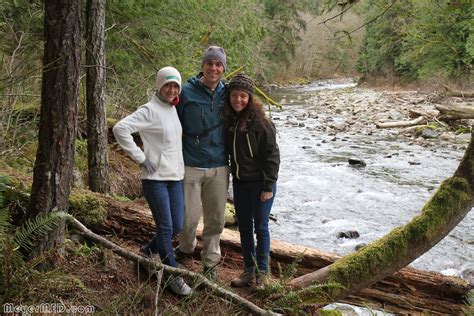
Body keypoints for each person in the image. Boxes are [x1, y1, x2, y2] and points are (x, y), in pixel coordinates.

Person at [112, 66, 192, 296]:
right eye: (167, 85)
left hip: (175, 178)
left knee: (176, 225)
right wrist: (140, 157)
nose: (172, 89)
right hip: (155, 179)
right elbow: (120, 128)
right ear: (159, 86)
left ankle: (147, 252)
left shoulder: (172, 108)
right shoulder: (149, 110)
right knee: (166, 228)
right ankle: (172, 275)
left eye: (176, 85)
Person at [175, 46, 229, 280]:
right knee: (188, 218)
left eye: (218, 64)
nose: (214, 68)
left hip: (219, 165)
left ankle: (210, 262)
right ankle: (186, 248)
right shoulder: (185, 93)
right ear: (202, 66)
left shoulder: (228, 94)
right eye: (210, 63)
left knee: (216, 218)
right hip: (190, 163)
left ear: (223, 68)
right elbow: (171, 124)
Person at [221, 72, 280, 288]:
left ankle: (263, 273)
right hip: (240, 183)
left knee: (261, 228)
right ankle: (249, 271)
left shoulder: (261, 123)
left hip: (261, 184)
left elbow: (272, 156)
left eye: (243, 96)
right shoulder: (230, 122)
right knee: (245, 228)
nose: (238, 100)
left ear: (250, 98)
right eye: (234, 95)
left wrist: (268, 186)